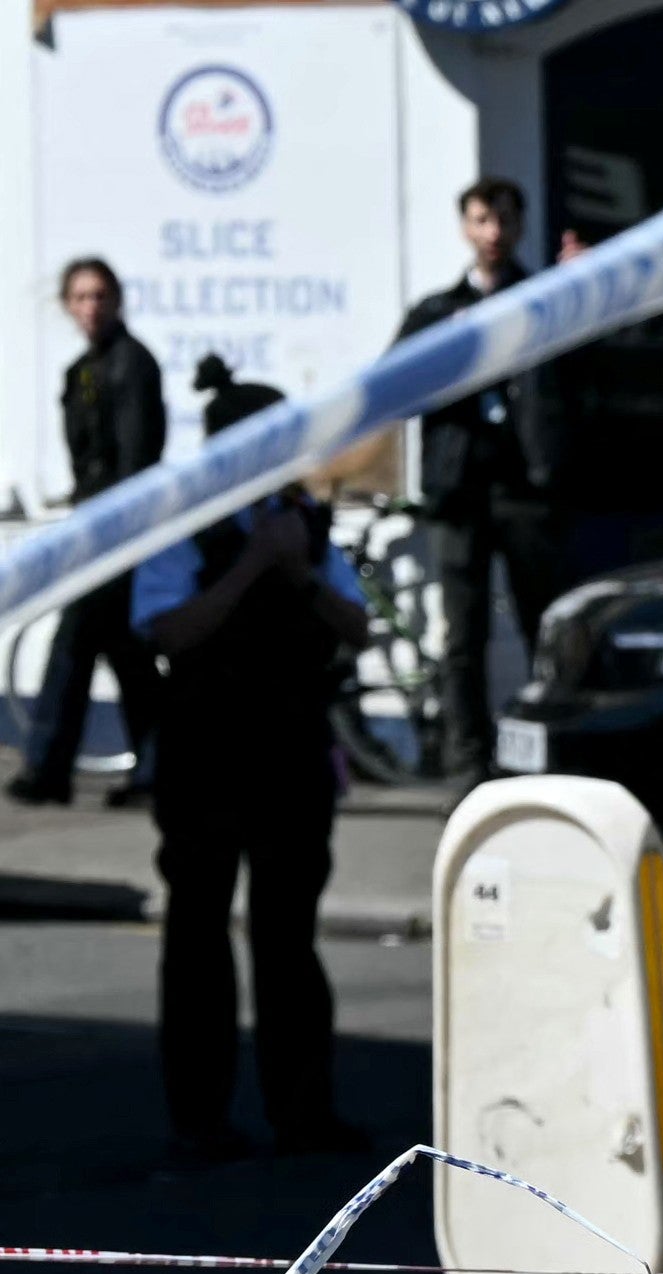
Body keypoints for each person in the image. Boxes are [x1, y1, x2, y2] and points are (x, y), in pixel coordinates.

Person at [137, 362, 373, 1164]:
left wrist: (296, 571)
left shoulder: (301, 520)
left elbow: (358, 625)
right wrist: (247, 568)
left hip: (290, 743)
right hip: (206, 746)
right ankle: (197, 1118)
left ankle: (303, 1110)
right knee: (199, 931)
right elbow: (167, 630)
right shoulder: (184, 522)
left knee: (288, 937)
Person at [394, 180, 565, 786]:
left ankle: (550, 753)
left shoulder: (546, 297)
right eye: (482, 220)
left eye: (504, 221)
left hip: (522, 488)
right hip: (460, 491)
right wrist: (451, 349)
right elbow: (397, 381)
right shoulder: (439, 311)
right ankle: (467, 765)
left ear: (519, 228)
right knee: (464, 636)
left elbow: (580, 367)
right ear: (466, 227)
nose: (493, 233)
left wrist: (581, 289)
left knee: (541, 624)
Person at [14, 259, 166, 807]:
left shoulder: (132, 364)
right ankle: (151, 774)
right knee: (125, 656)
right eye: (80, 297)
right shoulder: (83, 370)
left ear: (117, 300)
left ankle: (49, 768)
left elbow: (134, 460)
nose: (90, 307)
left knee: (76, 647)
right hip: (95, 530)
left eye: (99, 296)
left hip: (117, 535)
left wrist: (110, 531)